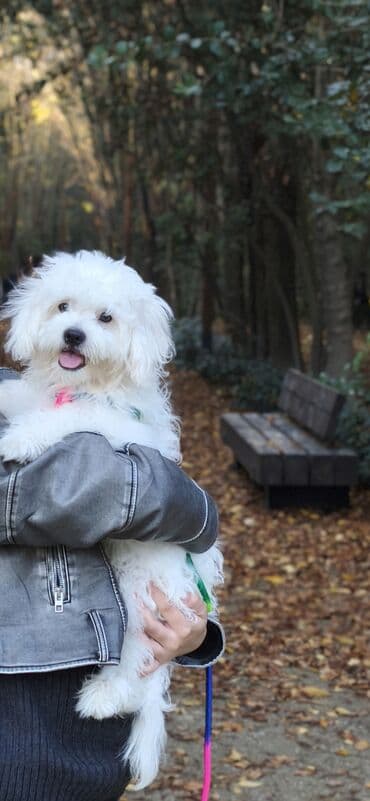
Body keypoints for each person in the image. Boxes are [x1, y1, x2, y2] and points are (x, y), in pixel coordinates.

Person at [0, 367, 223, 801]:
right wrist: (184, 503)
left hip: (81, 742)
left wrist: (189, 628)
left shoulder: (25, 391)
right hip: (24, 735)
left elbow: (156, 508)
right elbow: (124, 492)